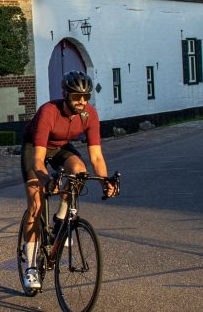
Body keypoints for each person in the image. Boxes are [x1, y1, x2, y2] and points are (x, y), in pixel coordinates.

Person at [20, 70, 119, 292]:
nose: (82, 101)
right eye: (77, 97)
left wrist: (105, 182)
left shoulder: (89, 115)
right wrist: (44, 178)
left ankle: (61, 220)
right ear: (65, 94)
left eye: (86, 97)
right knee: (35, 205)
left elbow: (96, 156)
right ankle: (32, 267)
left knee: (80, 171)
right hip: (35, 148)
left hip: (60, 148)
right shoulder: (49, 112)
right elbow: (38, 159)